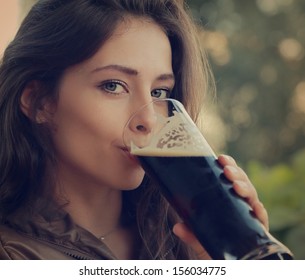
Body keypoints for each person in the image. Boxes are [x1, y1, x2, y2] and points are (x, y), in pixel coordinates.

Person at [0, 0, 269, 260]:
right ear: (39, 102)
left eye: (159, 91)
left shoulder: (184, 240)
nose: (149, 119)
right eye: (113, 86)